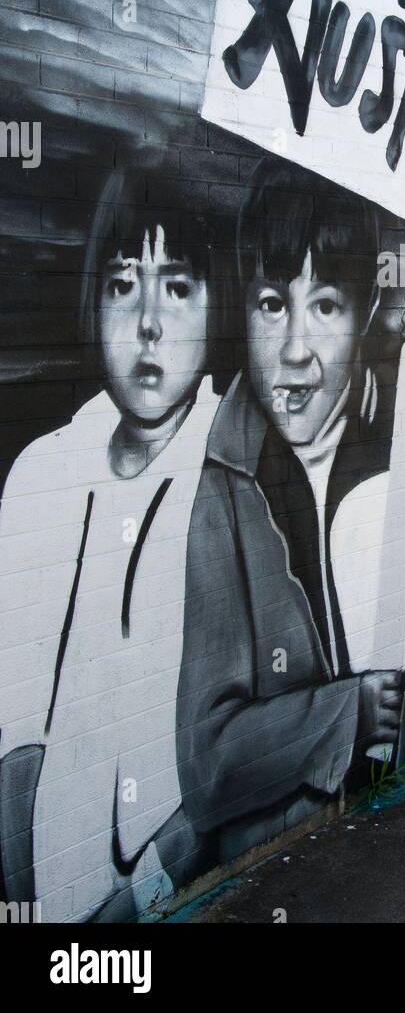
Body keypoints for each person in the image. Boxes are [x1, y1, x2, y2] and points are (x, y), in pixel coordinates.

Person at [176, 160, 405, 862]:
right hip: (291, 861)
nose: (293, 350)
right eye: (271, 304)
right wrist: (342, 716)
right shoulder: (224, 483)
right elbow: (208, 768)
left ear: (362, 317)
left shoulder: (401, 413)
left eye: (324, 306)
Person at [0, 169, 227, 922]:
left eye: (178, 287)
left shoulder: (236, 478)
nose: (150, 324)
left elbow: (238, 756)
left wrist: (137, 901)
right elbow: (17, 729)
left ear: (215, 302)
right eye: (124, 286)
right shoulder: (43, 472)